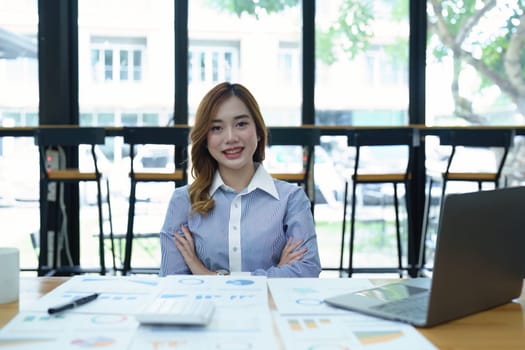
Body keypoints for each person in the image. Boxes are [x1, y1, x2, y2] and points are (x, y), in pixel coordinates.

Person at [159, 82, 321, 277]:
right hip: (205, 308)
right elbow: (172, 281)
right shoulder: (183, 201)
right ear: (205, 139)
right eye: (217, 128)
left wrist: (207, 275)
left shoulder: (291, 199)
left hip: (270, 308)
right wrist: (276, 273)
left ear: (259, 131)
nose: (230, 137)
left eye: (241, 124)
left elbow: (307, 271)